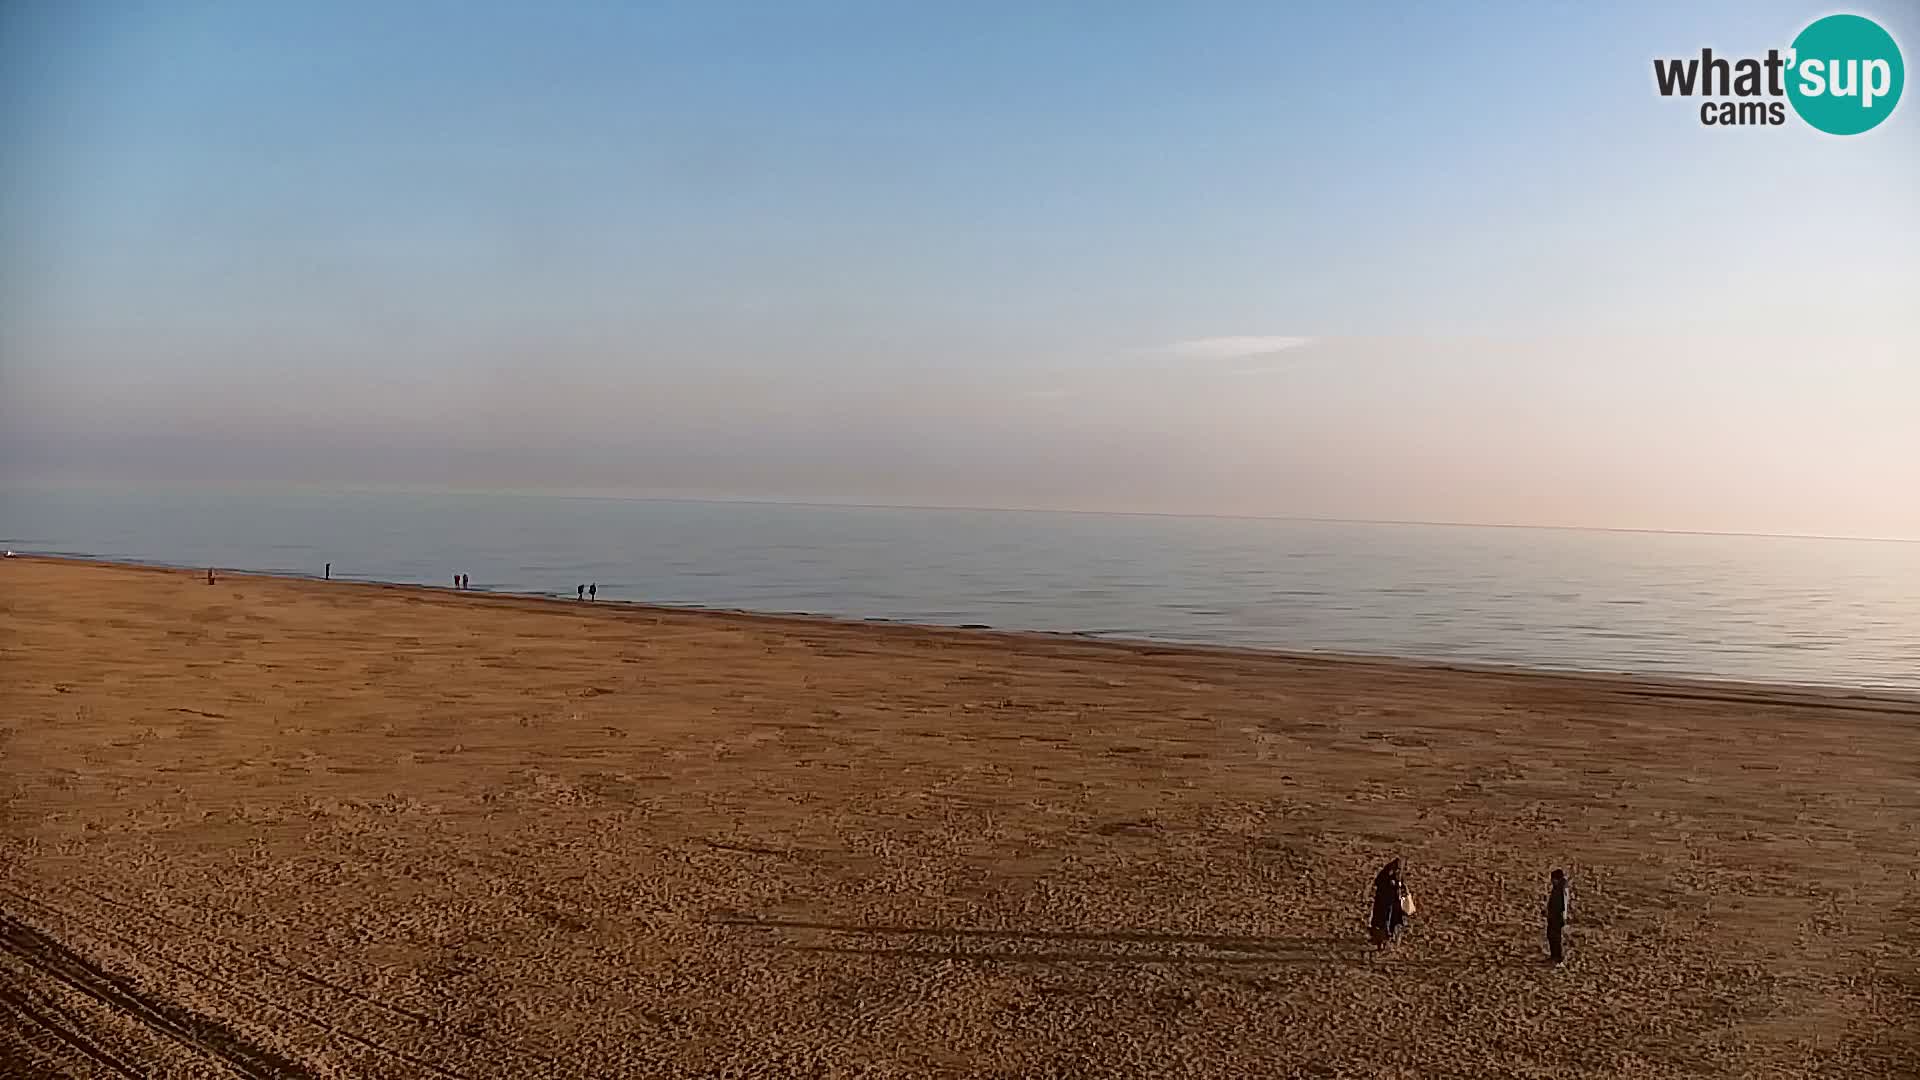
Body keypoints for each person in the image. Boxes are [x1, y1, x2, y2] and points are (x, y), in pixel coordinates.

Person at [1369, 858, 1409, 949]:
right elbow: (1380, 884)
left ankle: (1390, 937)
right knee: (1383, 921)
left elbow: (1401, 887)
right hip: (1384, 903)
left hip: (1393, 903)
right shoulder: (1385, 875)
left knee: (1393, 920)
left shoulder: (1397, 875)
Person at [1546, 868, 1572, 964]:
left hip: (1557, 917)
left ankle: (1556, 957)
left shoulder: (1561, 889)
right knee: (1552, 936)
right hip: (1554, 916)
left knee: (1554, 937)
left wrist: (1563, 917)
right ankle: (1554, 956)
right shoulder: (1559, 887)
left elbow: (1563, 904)